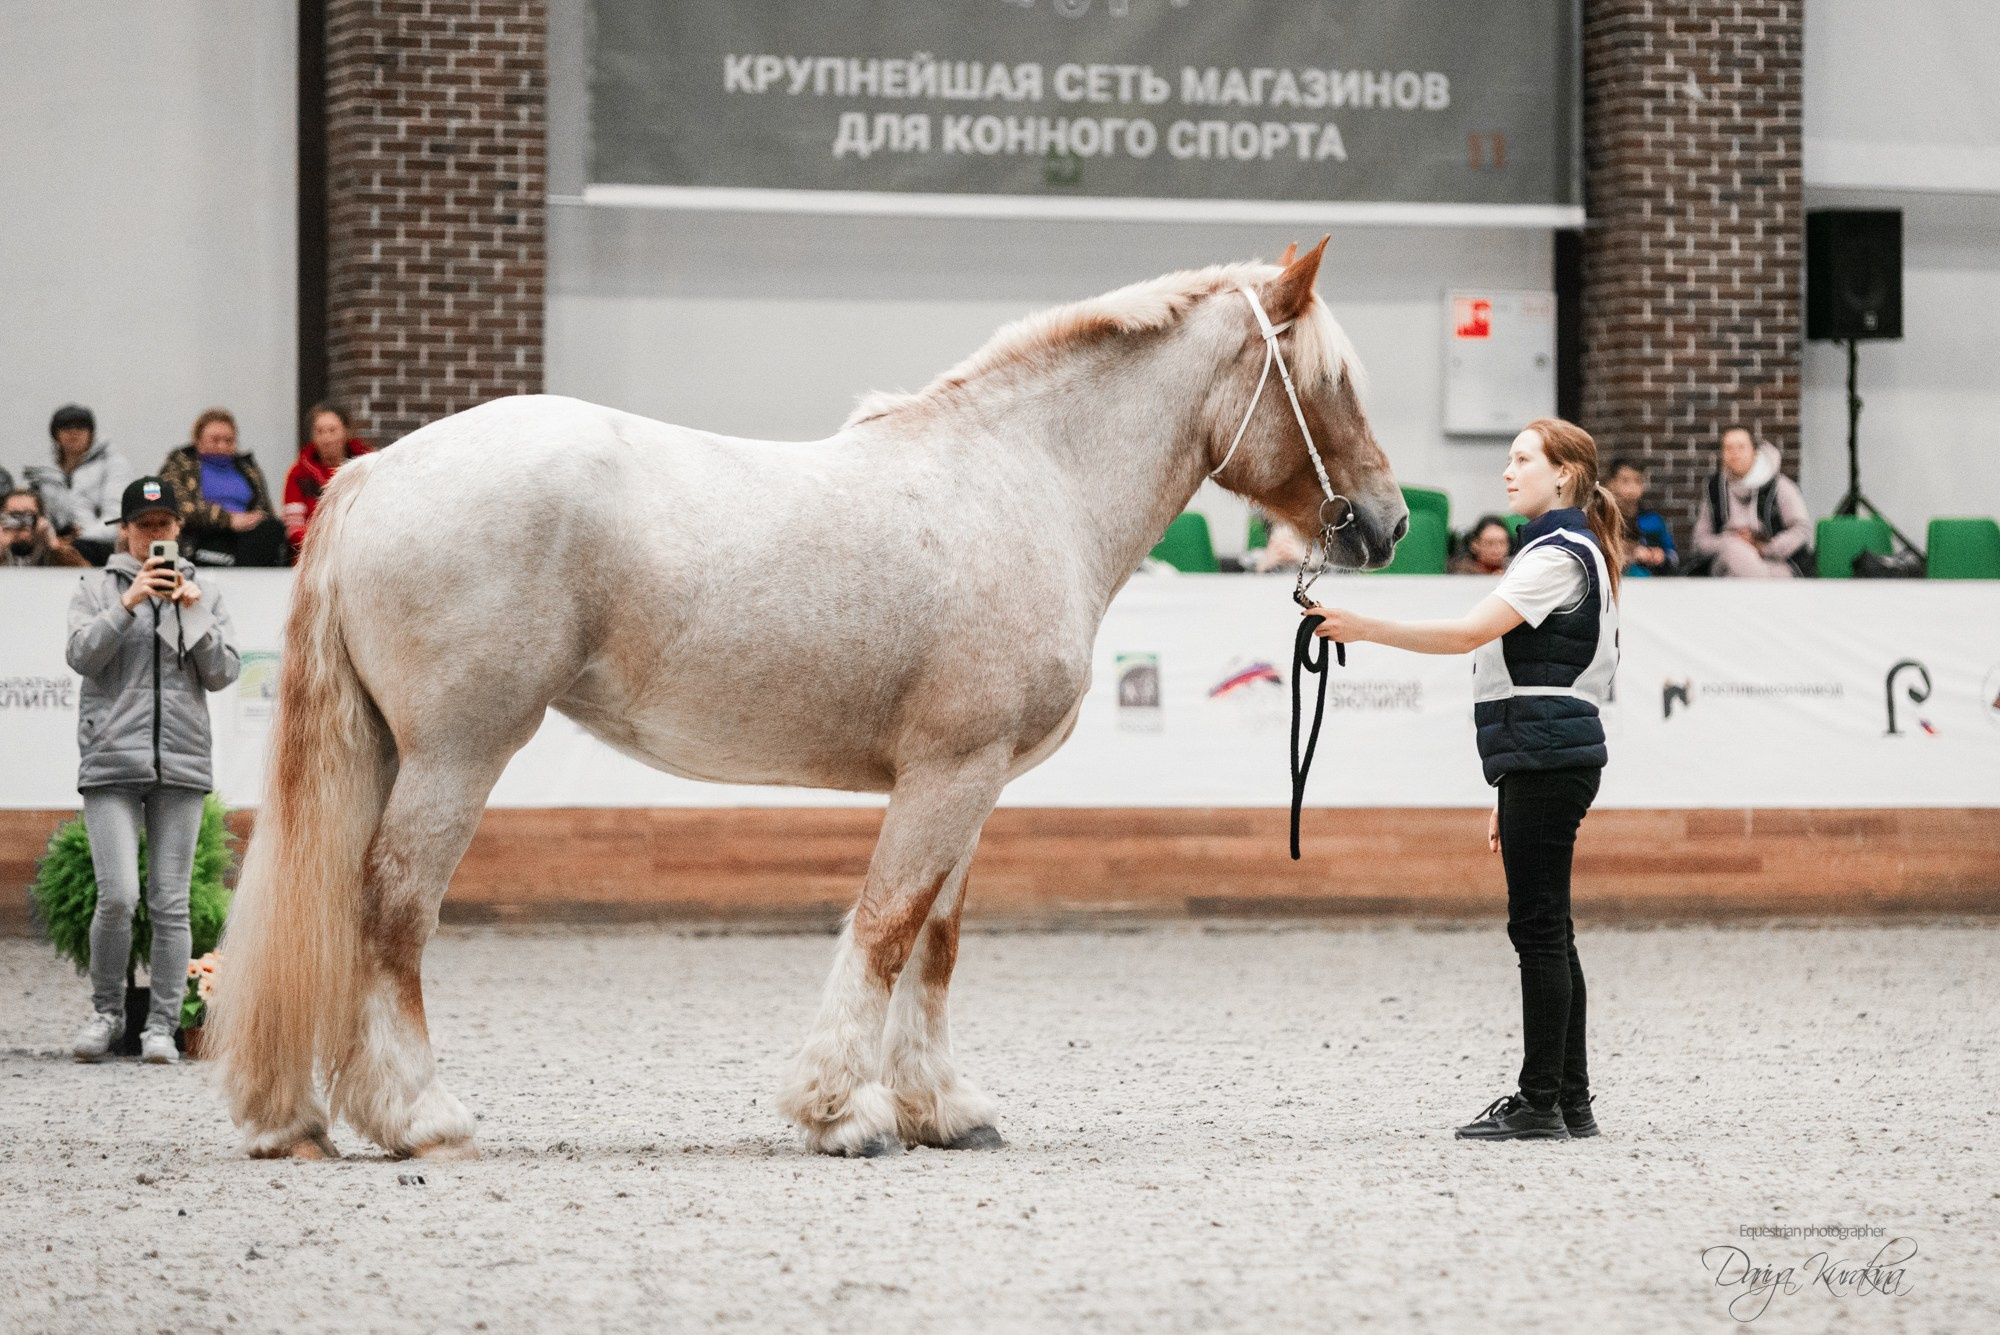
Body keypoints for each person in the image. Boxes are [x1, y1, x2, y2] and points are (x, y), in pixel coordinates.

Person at [1302, 418, 1620, 1142]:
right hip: (1544, 756)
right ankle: (1569, 1099)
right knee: (1551, 928)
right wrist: (1504, 784)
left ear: (1564, 476)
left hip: (1546, 756)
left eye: (1522, 460)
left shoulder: (1555, 557)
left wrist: (1363, 624)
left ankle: (1540, 1099)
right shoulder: (1572, 549)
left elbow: (1465, 634)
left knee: (1538, 928)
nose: (1508, 472)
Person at [65, 476, 241, 1063]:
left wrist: (194, 615)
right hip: (112, 761)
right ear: (125, 531)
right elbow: (82, 655)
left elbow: (222, 673)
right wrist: (129, 602)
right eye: (144, 525)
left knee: (170, 903)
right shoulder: (95, 588)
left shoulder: (204, 591)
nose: (154, 535)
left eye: (164, 524)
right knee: (117, 896)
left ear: (178, 529)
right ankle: (106, 1013)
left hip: (183, 761)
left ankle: (162, 1026)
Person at [159, 408, 288, 567]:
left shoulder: (248, 468)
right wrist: (227, 519)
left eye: (229, 440)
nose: (222, 446)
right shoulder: (179, 465)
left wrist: (255, 518)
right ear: (198, 441)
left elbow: (264, 508)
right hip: (203, 535)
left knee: (272, 529)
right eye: (215, 440)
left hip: (247, 536)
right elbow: (177, 508)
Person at [1687, 426, 1813, 577]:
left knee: (1735, 581)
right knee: (1734, 550)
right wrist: (1732, 541)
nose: (1735, 453)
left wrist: (1763, 547)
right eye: (1728, 448)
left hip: (1774, 561)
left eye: (1741, 447)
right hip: (1726, 558)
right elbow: (1699, 542)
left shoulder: (1779, 486)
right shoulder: (1714, 490)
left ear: (1754, 452)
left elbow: (1801, 530)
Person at [24, 404, 135, 565]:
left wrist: (79, 538)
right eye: (66, 426)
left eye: (81, 426)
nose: (73, 431)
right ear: (55, 434)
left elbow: (116, 518)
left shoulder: (113, 465)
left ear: (91, 432)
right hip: (54, 546)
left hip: (102, 546)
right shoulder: (44, 472)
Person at [282, 402, 373, 549]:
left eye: (332, 431)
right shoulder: (299, 474)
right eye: (320, 432)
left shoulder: (366, 468)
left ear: (346, 432)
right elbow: (294, 529)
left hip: (360, 549)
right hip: (314, 554)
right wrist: (327, 544)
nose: (326, 439)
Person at [1604, 457, 1678, 577]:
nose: (1632, 489)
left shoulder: (1653, 520)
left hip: (1648, 586)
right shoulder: (1601, 520)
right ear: (1611, 483)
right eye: (1625, 481)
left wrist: (1661, 556)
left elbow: (1674, 557)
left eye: (1638, 481)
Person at [3, 487, 90, 567]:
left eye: (28, 515)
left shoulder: (56, 549)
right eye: (14, 516)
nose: (21, 523)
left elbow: (85, 576)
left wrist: (55, 548)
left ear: (41, 519)